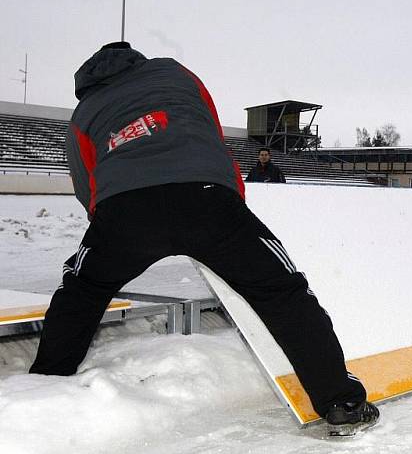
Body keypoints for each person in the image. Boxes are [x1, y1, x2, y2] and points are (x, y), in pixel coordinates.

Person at [28, 42, 378, 435]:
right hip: (206, 196)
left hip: (124, 209)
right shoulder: (175, 73)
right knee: (282, 293)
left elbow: (84, 181)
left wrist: (110, 225)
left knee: (82, 290)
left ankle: (41, 393)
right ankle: (340, 402)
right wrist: (230, 203)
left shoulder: (84, 113)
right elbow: (211, 131)